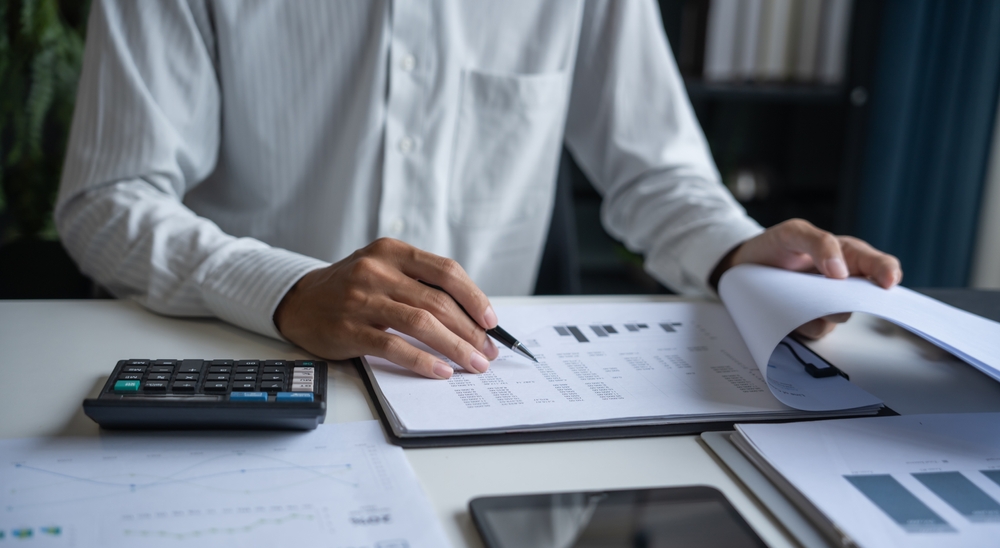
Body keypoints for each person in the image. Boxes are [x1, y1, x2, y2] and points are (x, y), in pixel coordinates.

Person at [57, 1, 901, 380]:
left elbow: (654, 169)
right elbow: (109, 197)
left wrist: (734, 248)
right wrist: (286, 288)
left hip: (488, 394)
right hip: (244, 365)